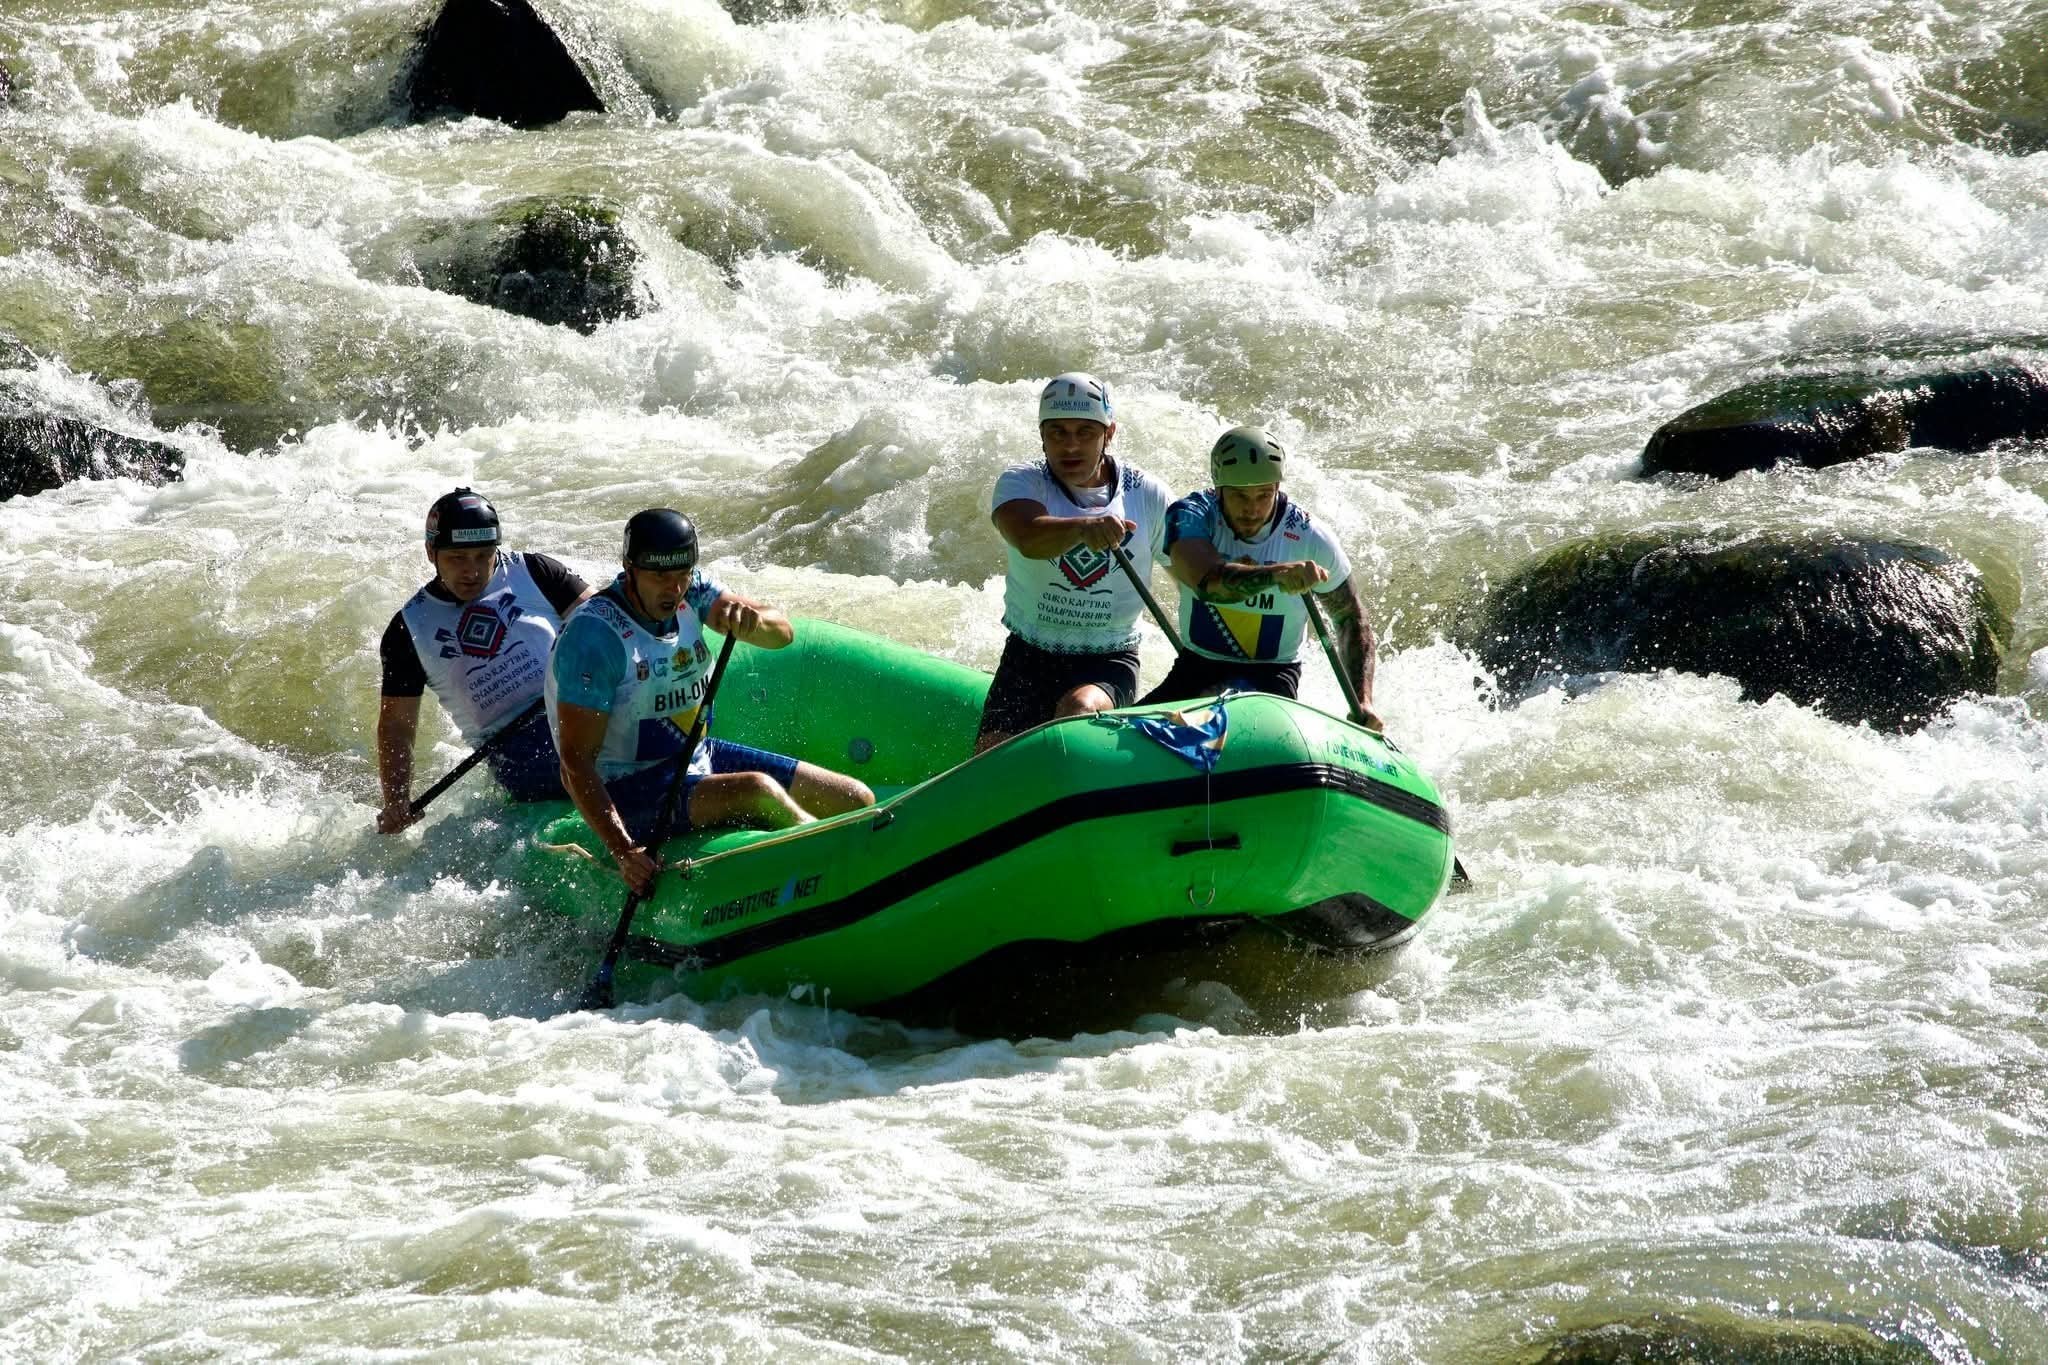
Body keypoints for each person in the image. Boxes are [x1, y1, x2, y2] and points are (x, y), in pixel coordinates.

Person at [546, 508, 875, 895]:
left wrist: (752, 620)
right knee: (758, 790)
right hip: (631, 786)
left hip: (695, 756)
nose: (674, 589)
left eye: (682, 574)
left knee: (855, 798)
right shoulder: (593, 638)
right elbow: (575, 765)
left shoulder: (695, 591)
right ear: (628, 568)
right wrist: (623, 851)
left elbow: (782, 635)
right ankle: (844, 874)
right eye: (660, 577)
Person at [376, 486, 595, 833]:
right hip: (520, 756)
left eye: (483, 555)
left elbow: (606, 627)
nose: (472, 571)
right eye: (457, 559)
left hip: (577, 711)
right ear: (431, 552)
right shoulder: (408, 629)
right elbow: (397, 728)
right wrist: (397, 801)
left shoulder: (536, 571)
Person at [975, 371, 1174, 751]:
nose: (1070, 446)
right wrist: (1085, 527)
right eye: (1058, 433)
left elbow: (1187, 576)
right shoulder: (1021, 482)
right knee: (991, 758)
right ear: (1042, 435)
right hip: (1029, 655)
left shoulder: (1148, 494)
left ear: (1109, 433)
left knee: (1078, 708)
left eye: (1085, 432)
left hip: (1110, 658)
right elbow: (1029, 538)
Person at [1141, 426, 1384, 730]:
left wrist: (1362, 700)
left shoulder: (1311, 537)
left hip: (1273, 676)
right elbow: (1209, 583)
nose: (1252, 509)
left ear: (1278, 487)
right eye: (1240, 495)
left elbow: (1350, 617)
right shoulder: (1190, 516)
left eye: (1264, 495)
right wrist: (1277, 574)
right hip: (1198, 667)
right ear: (1219, 489)